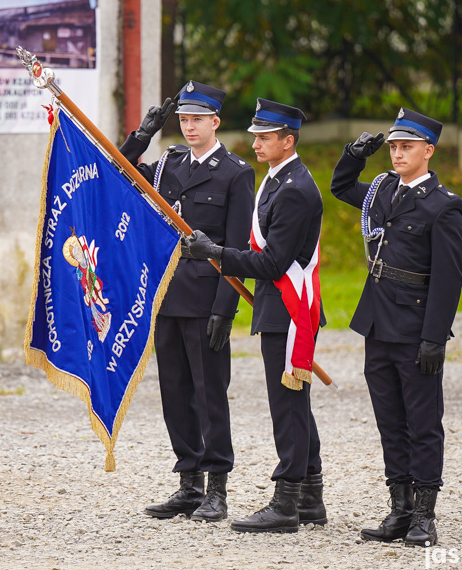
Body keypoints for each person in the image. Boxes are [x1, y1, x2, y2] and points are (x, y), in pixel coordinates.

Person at [185, 99, 326, 533]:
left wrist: (217, 254)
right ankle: (311, 498)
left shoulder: (296, 189)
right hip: (276, 308)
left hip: (289, 309)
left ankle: (286, 502)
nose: (256, 142)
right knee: (294, 404)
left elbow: (273, 263)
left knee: (287, 406)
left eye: (265, 137)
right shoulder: (277, 179)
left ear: (289, 140)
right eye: (255, 135)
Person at [329, 108, 462, 547]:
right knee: (390, 420)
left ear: (428, 150)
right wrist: (354, 154)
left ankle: (425, 515)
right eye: (393, 146)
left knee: (422, 422)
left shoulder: (443, 205)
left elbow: (449, 278)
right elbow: (341, 187)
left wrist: (434, 337)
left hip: (414, 326)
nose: (398, 153)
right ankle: (400, 508)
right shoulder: (384, 192)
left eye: (407, 146)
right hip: (378, 323)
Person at [119, 81, 254, 522]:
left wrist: (224, 309)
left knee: (209, 392)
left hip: (205, 300)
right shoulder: (167, 164)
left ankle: (217, 487)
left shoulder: (235, 172)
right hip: (166, 293)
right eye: (183, 119)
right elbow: (121, 172)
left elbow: (234, 246)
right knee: (175, 392)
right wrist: (142, 135)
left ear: (215, 122)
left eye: (198, 119)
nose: (189, 126)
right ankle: (188, 483)